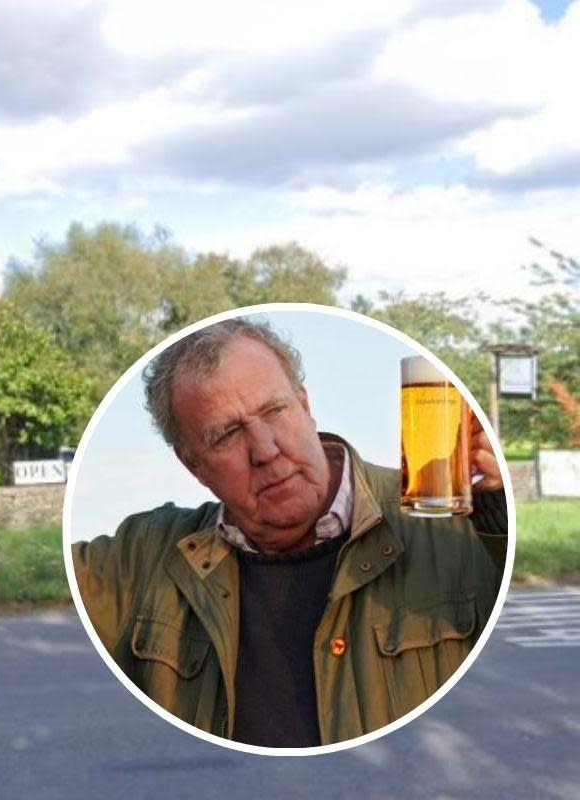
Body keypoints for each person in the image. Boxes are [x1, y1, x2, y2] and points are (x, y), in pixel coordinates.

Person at [71, 318, 507, 747]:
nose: (265, 449)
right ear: (193, 464)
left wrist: (495, 508)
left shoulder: (457, 522)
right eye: (226, 434)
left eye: (274, 411)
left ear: (305, 404)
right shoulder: (144, 559)